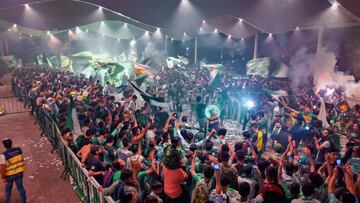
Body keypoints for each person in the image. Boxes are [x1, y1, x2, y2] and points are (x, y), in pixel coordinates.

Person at [0, 138, 27, 203]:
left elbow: (3, 167)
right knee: (20, 188)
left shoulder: (3, 155)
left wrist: (3, 176)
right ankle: (24, 201)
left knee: (8, 189)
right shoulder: (18, 150)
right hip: (19, 173)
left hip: (9, 175)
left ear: (4, 145)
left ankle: (6, 201)